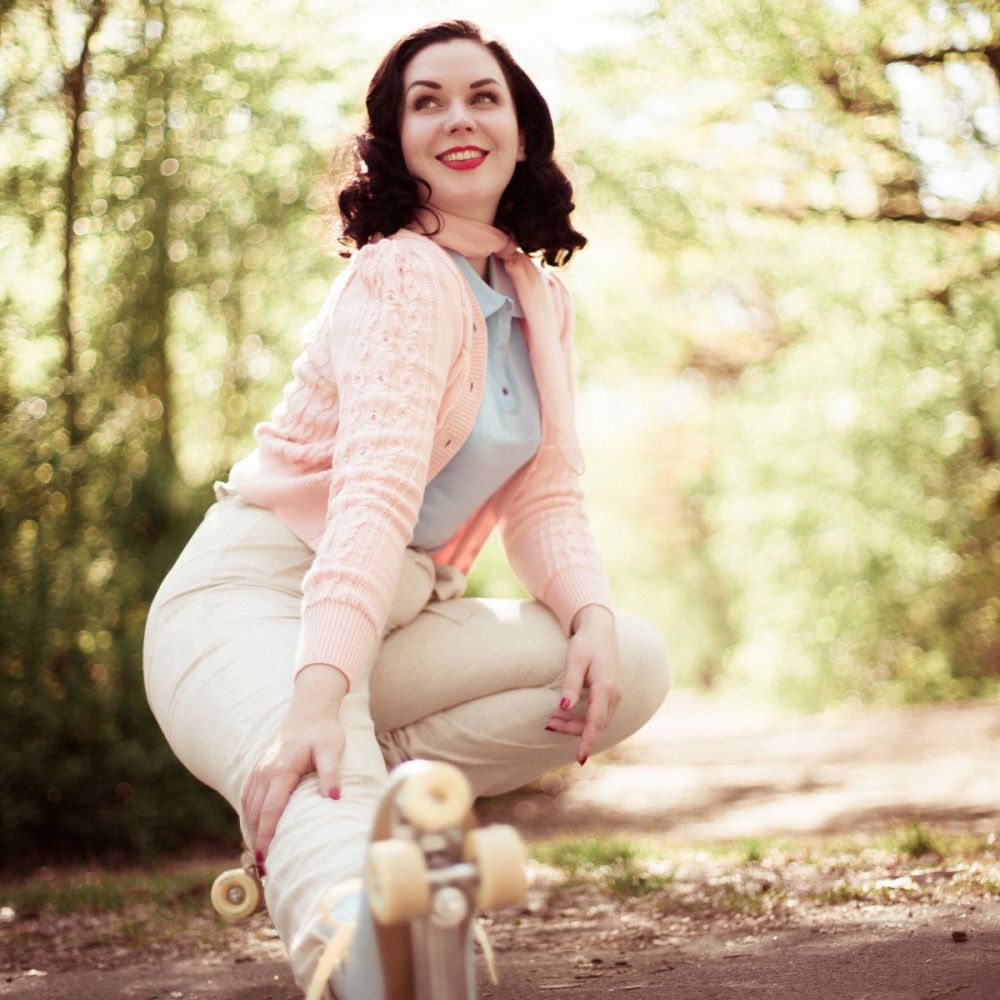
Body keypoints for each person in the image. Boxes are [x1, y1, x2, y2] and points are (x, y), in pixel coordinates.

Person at [143, 18, 670, 1000]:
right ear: (396, 143)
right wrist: (314, 690)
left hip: (392, 607)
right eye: (425, 102)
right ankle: (383, 956)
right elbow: (372, 493)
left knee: (625, 661)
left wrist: (589, 611)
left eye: (482, 97)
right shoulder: (399, 273)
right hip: (257, 597)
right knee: (319, 787)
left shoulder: (535, 296)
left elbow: (547, 495)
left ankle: (368, 773)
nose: (457, 118)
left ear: (521, 132)